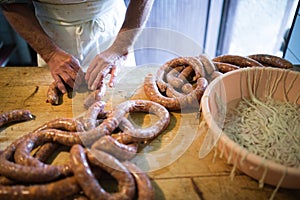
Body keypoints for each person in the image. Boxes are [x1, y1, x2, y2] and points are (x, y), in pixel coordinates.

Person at [0, 0, 154, 93]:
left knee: (121, 93)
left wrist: (120, 47)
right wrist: (50, 53)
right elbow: (10, 3)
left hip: (113, 28)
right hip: (50, 34)